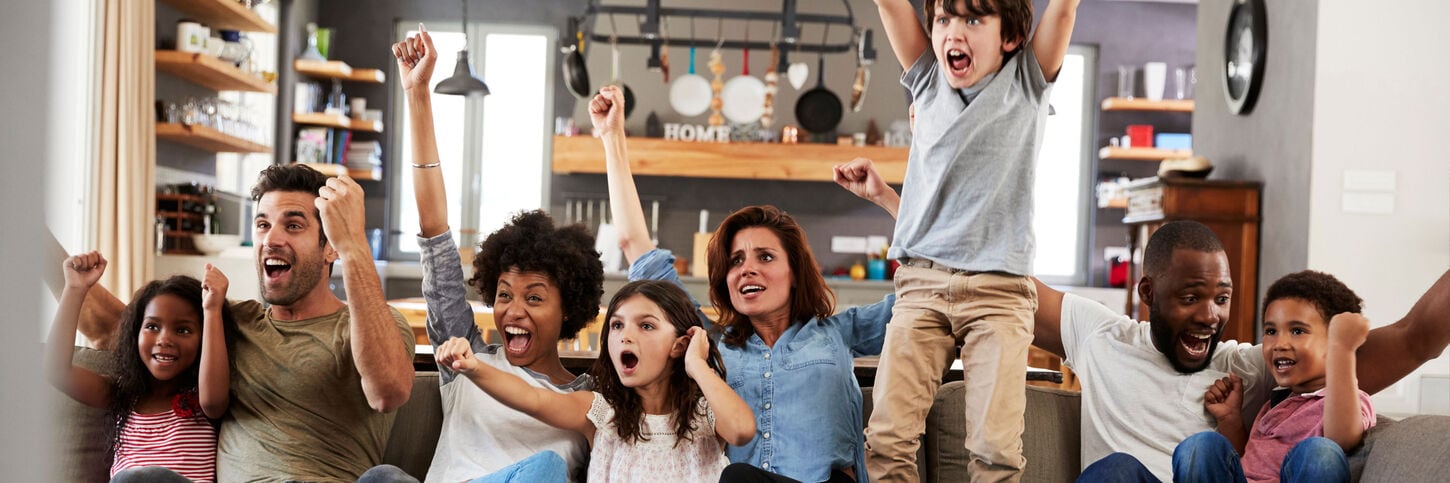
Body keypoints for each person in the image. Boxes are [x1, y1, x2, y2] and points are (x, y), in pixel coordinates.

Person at [840, 166, 1450, 481]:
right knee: (1117, 471)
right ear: (1148, 293)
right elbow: (992, 276)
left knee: (1204, 448)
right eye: (1191, 298)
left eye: (1222, 298)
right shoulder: (1098, 335)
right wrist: (896, 202)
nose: (1210, 316)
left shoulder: (1249, 366)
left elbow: (1417, 336)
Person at [590, 86, 896, 483]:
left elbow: (927, 284)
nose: (746, 270)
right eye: (736, 261)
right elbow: (635, 245)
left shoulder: (839, 332)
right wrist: (612, 136)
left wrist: (888, 198)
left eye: (765, 257)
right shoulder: (709, 343)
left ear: (795, 273)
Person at [360, 25, 603, 483]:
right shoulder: (465, 353)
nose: (513, 310)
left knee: (547, 469)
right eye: (506, 294)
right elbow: (435, 233)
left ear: (568, 307)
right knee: (384, 477)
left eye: (534, 297)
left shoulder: (590, 398)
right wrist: (417, 94)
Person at [863, 0, 1080, 480]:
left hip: (999, 294)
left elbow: (1063, 11)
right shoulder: (926, 78)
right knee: (886, 440)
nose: (952, 32)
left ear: (1010, 38)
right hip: (921, 287)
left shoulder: (1026, 81)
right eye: (943, 19)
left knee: (994, 449)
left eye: (973, 20)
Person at [435, 280, 757, 483]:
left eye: (646, 326)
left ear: (679, 345)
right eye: (617, 326)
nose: (625, 335)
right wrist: (473, 367)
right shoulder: (603, 414)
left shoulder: (704, 415)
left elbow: (742, 430)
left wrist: (698, 365)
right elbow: (532, 398)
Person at [1156, 271, 1376, 483]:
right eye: (1271, 331)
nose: (1279, 344)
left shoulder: (1350, 402)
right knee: (1197, 446)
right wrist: (1230, 420)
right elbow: (1247, 464)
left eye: (1297, 331)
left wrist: (1343, 348)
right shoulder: (1277, 405)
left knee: (1321, 452)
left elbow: (1341, 440)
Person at [45, 251, 233, 482]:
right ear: (135, 334)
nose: (164, 339)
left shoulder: (203, 400)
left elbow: (214, 401)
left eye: (183, 330)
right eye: (152, 327)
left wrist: (212, 310)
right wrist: (74, 290)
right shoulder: (123, 395)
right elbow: (57, 371)